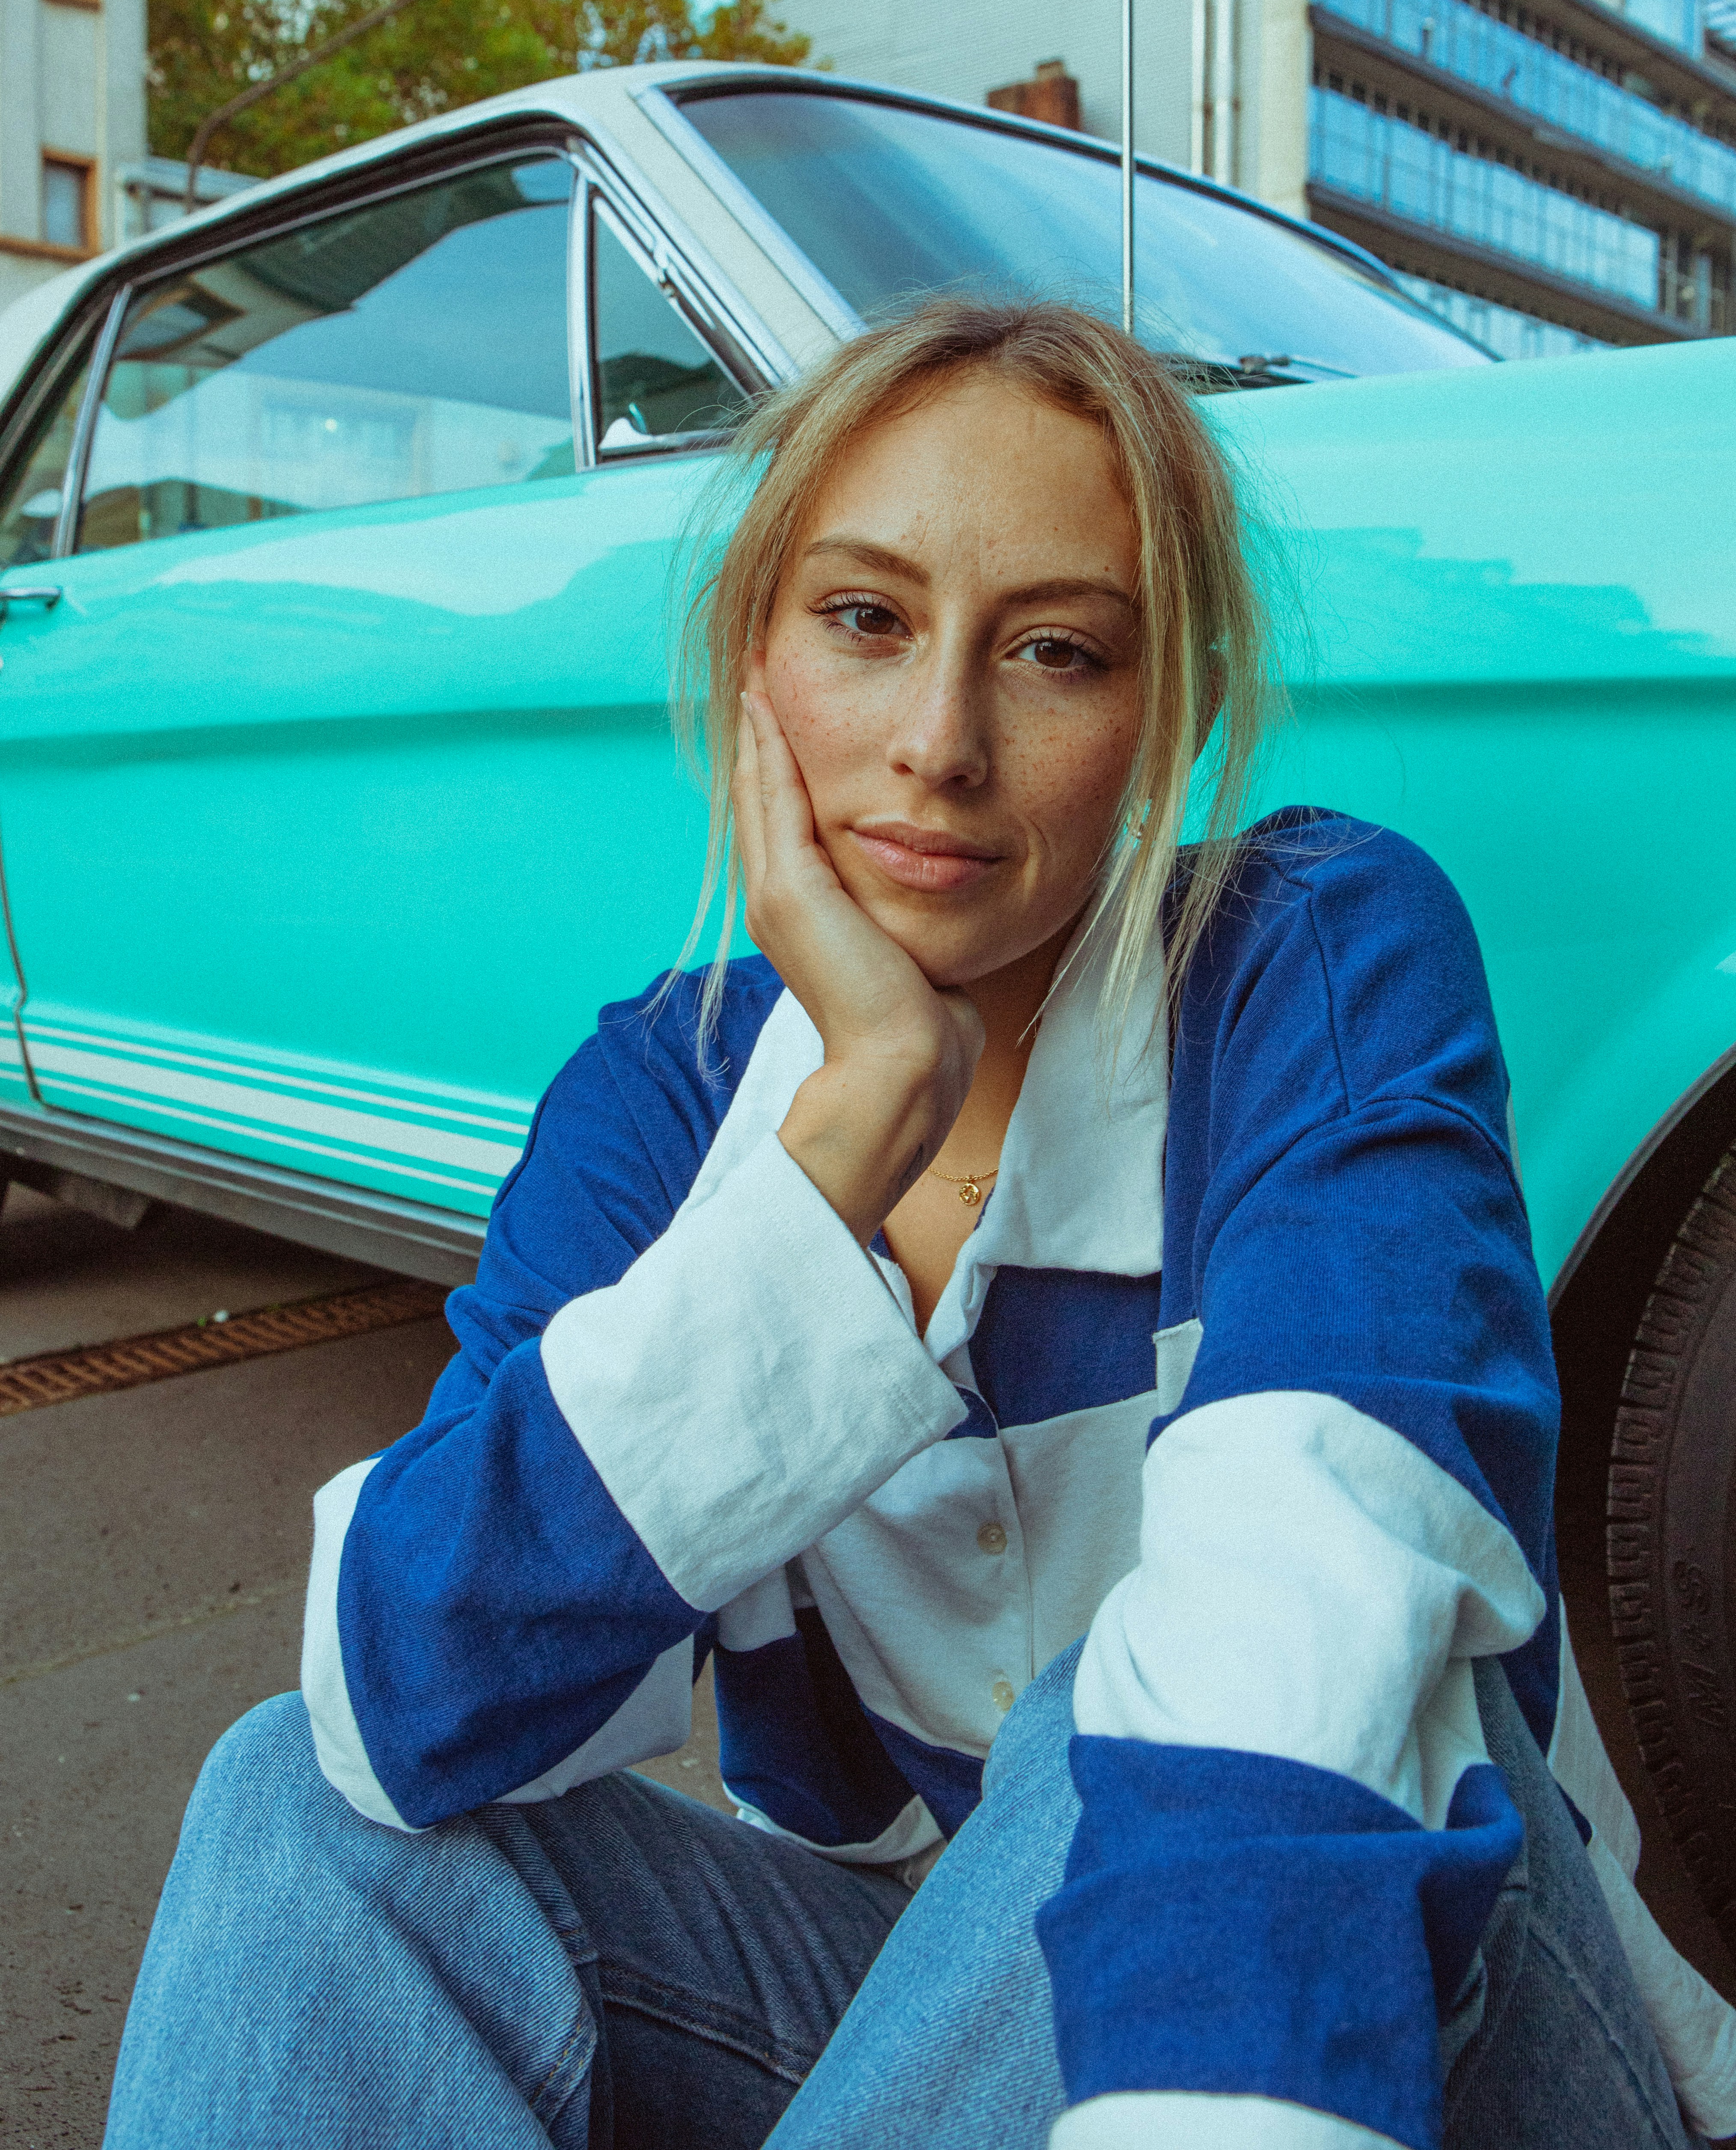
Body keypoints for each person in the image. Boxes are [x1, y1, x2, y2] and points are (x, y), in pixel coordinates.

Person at [106, 301, 1736, 2150]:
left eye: (1054, 652)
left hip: (1399, 2008)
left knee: (1103, 1735)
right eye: (867, 622)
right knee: (297, 1813)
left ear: (1161, 718)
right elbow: (403, 1689)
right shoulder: (664, 1094)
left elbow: (1312, 1614)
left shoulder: (1313, 958)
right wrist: (845, 1134)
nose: (942, 744)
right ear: (756, 665)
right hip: (925, 2018)